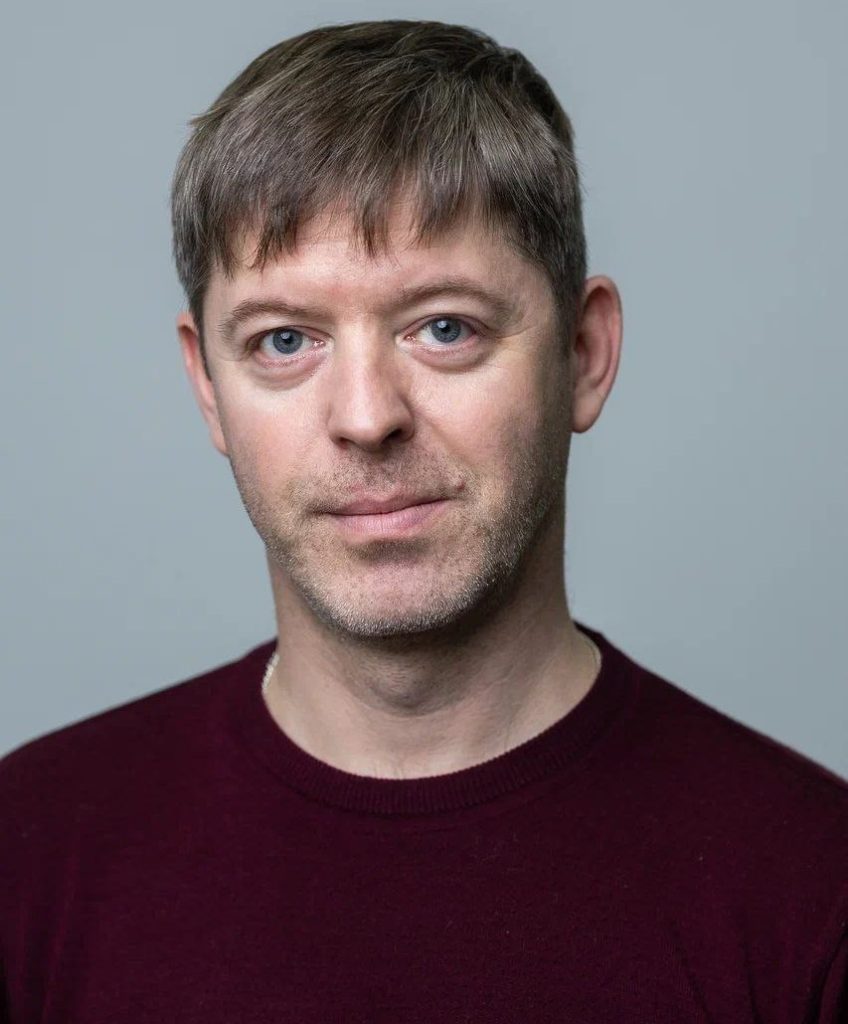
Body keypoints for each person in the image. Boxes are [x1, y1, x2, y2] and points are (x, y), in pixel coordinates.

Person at [1, 19, 846, 1022]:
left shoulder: (814, 890)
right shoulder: (28, 854)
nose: (366, 418)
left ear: (583, 354)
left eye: (444, 328)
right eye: (283, 341)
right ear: (207, 388)